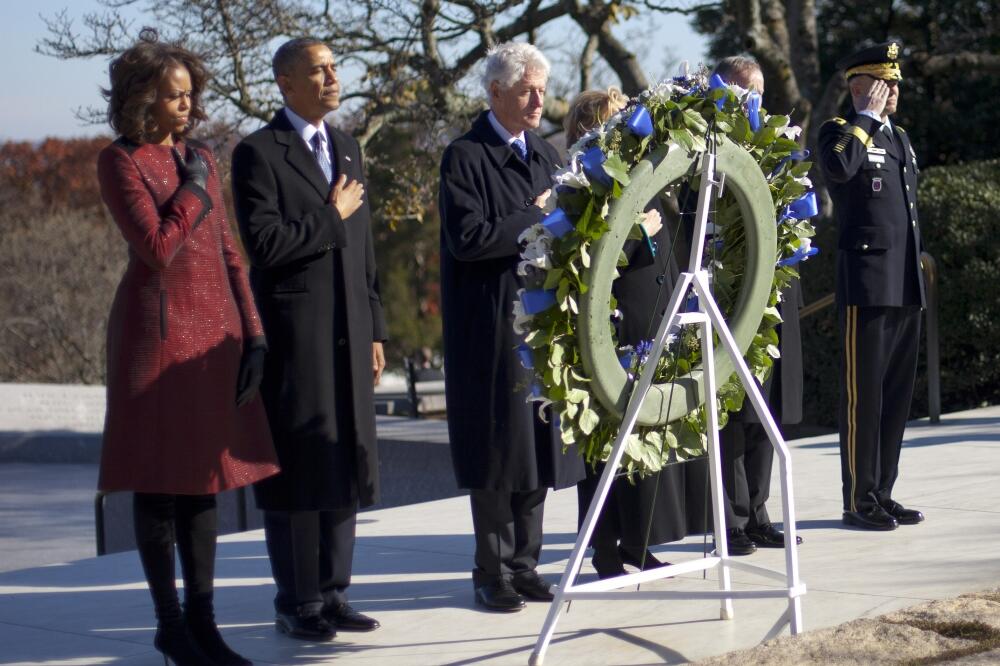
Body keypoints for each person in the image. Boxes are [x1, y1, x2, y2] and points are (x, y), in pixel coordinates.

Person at [96, 32, 279, 666]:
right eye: (175, 96)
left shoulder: (199, 154)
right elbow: (156, 247)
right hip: (156, 333)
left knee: (205, 483)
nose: (188, 106)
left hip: (217, 335)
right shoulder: (119, 160)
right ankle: (169, 626)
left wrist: (253, 332)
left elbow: (230, 252)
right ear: (142, 97)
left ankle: (205, 625)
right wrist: (195, 191)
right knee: (159, 482)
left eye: (190, 95)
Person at [231, 37, 387, 640]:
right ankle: (297, 601)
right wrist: (332, 216)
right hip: (297, 335)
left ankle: (334, 592)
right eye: (317, 70)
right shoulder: (257, 153)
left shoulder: (347, 147)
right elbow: (264, 246)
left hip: (351, 328)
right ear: (286, 84)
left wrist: (375, 327)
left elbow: (365, 249)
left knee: (344, 456)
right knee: (299, 465)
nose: (331, 77)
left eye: (333, 67)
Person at [438, 41, 586, 612]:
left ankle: (526, 563)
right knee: (499, 450)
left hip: (542, 322)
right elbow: (470, 239)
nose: (537, 99)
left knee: (535, 449)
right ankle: (492, 570)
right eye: (526, 89)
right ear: (495, 92)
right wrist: (537, 213)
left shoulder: (547, 154)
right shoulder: (465, 157)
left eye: (543, 89)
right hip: (491, 325)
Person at [565, 88, 690, 578]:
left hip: (655, 317)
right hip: (616, 325)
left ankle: (640, 540)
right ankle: (603, 547)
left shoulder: (642, 174)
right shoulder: (587, 181)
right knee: (607, 445)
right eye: (621, 121)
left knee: (647, 441)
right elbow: (587, 255)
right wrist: (633, 229)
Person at [818, 41, 926, 531]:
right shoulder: (840, 131)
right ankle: (858, 500)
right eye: (885, 82)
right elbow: (838, 169)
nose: (895, 91)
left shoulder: (900, 137)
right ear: (859, 85)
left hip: (903, 282)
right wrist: (863, 117)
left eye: (897, 82)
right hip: (866, 281)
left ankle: (883, 490)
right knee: (864, 396)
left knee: (896, 394)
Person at [711, 56, 805, 555]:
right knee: (734, 408)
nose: (755, 102)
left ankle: (761, 512)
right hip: (731, 292)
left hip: (772, 288)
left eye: (760, 92)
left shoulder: (772, 141)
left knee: (765, 410)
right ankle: (733, 518)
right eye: (746, 92)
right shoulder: (709, 140)